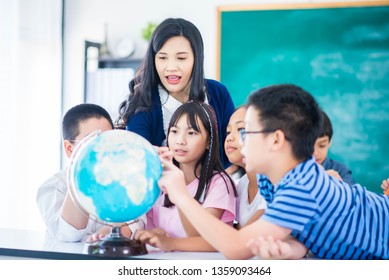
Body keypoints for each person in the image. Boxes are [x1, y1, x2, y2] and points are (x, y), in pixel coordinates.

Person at [156, 84, 389, 260]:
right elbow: (303, 231)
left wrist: (181, 196)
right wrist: (289, 248)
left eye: (248, 132)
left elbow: (236, 248)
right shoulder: (272, 181)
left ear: (276, 140)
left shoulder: (303, 188)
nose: (240, 141)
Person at [117, 18, 235, 169]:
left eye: (181, 58)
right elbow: (141, 162)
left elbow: (230, 149)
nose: (171, 67)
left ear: (196, 59)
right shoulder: (142, 102)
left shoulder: (218, 93)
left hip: (212, 188)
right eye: (163, 58)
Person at [134, 102, 237, 251]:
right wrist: (153, 235)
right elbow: (152, 229)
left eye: (191, 133)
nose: (180, 140)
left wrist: (179, 192)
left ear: (209, 141)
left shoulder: (219, 183)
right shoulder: (160, 180)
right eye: (174, 131)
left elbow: (199, 236)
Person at [36, 103, 143, 242]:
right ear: (69, 148)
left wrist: (118, 230)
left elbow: (138, 221)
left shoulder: (126, 179)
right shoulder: (53, 186)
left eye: (108, 139)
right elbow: (68, 234)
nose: (102, 148)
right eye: (91, 141)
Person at [225, 106, 267, 228]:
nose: (229, 137)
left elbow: (240, 240)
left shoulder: (275, 185)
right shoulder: (243, 184)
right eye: (228, 131)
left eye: (241, 129)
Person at [313, 109, 355, 185]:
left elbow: (354, 196)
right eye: (309, 145)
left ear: (329, 142)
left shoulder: (341, 171)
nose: (315, 153)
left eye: (322, 145)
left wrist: (340, 187)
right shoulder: (291, 169)